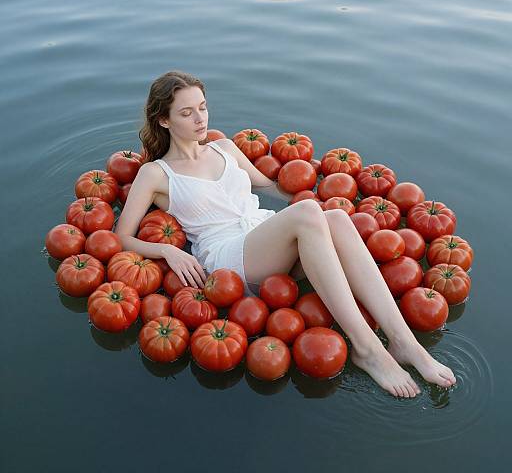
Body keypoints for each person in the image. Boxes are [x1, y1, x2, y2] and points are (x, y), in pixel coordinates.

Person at [115, 70, 457, 398]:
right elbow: (122, 237)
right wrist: (167, 251)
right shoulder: (156, 174)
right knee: (310, 213)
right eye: (187, 113)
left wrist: (328, 192)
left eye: (202, 107)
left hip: (264, 232)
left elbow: (272, 187)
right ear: (164, 120)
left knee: (336, 217)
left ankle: (403, 341)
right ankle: (367, 348)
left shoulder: (225, 149)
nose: (200, 119)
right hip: (227, 256)